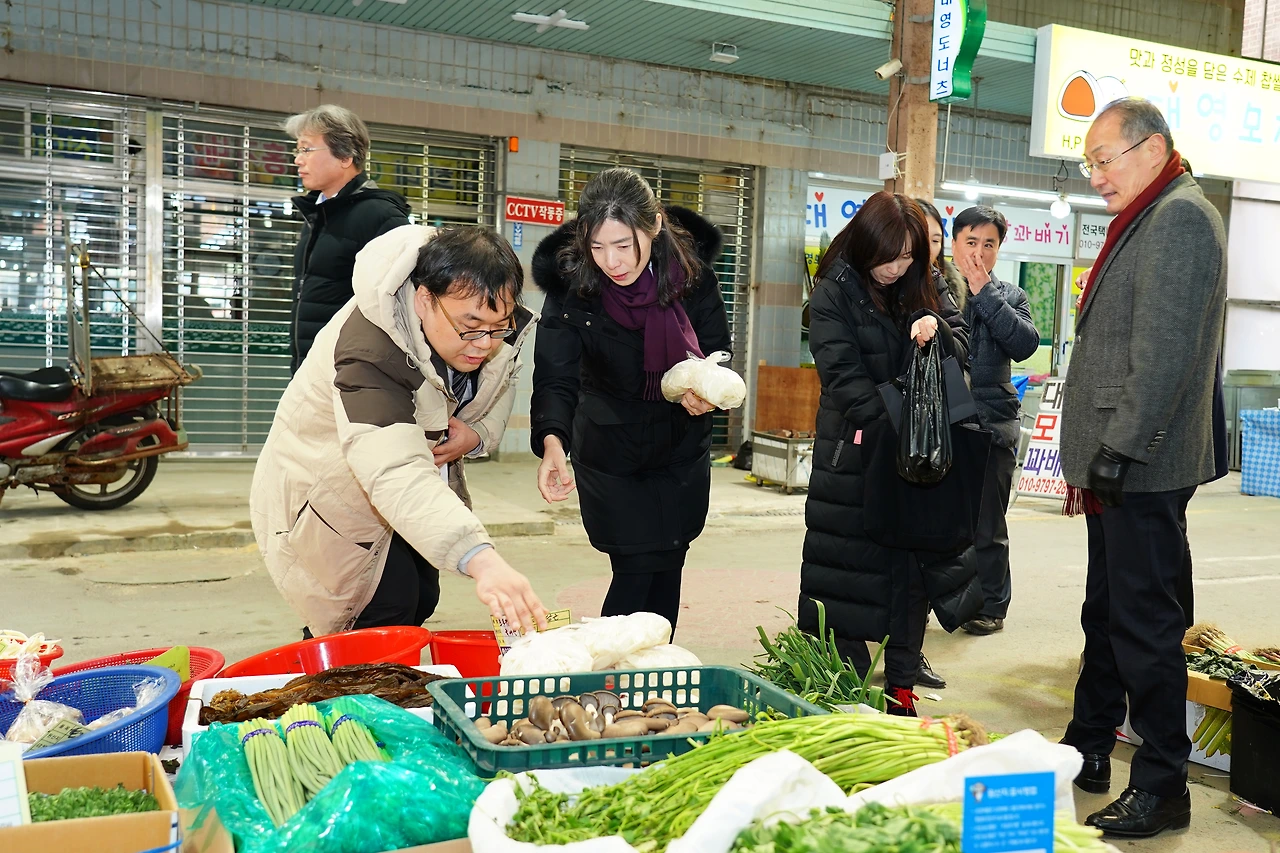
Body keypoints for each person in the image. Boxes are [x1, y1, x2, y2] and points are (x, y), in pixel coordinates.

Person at [1059, 98, 1226, 838]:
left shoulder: (1180, 218)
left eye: (1104, 159)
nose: (1096, 175)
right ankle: (1090, 745)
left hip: (1141, 462)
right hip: (1119, 461)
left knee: (1146, 626)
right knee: (1109, 611)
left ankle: (1163, 783)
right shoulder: (1154, 213)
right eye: (1089, 162)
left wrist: (1119, 449)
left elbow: (1161, 355)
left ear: (1152, 148)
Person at [250, 225, 549, 638]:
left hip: (409, 481)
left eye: (498, 328)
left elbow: (503, 374)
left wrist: (477, 433)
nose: (484, 344)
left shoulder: (475, 319)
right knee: (369, 611)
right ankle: (340, 699)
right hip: (332, 489)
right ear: (425, 298)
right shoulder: (369, 349)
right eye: (472, 327)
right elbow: (393, 468)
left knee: (419, 597)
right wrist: (482, 559)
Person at [530, 168, 730, 632]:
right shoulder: (572, 287)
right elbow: (557, 375)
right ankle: (616, 681)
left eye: (623, 245)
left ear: (654, 225)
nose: (611, 261)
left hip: (681, 445)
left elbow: (717, 348)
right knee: (636, 567)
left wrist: (705, 391)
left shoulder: (692, 275)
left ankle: (654, 684)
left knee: (669, 564)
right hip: (611, 448)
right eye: (597, 246)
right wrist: (553, 445)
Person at [799, 192, 973, 717]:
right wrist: (901, 416)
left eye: (909, 257)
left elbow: (963, 343)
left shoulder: (925, 279)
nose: (898, 268)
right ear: (866, 243)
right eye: (889, 257)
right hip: (856, 456)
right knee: (850, 576)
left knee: (910, 575)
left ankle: (901, 687)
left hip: (920, 459)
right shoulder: (833, 292)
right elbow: (844, 381)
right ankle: (844, 700)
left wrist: (937, 328)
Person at [949, 206, 1040, 636]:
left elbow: (1023, 345)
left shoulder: (1010, 295)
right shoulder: (936, 291)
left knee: (988, 525)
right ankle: (945, 600)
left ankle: (991, 606)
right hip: (944, 425)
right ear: (953, 245)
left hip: (993, 426)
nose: (979, 252)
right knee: (942, 522)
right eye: (971, 242)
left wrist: (984, 291)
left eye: (989, 244)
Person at [287, 105, 411, 373]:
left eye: (306, 149)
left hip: (351, 372)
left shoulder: (378, 215)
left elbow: (403, 301)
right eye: (298, 150)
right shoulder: (319, 215)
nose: (298, 159)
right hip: (311, 367)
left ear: (344, 156)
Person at [910, 198, 973, 691]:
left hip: (935, 433)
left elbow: (962, 343)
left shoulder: (942, 285)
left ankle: (912, 652)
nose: (929, 248)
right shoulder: (883, 280)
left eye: (935, 239)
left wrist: (937, 327)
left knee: (930, 550)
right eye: (921, 238)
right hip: (891, 431)